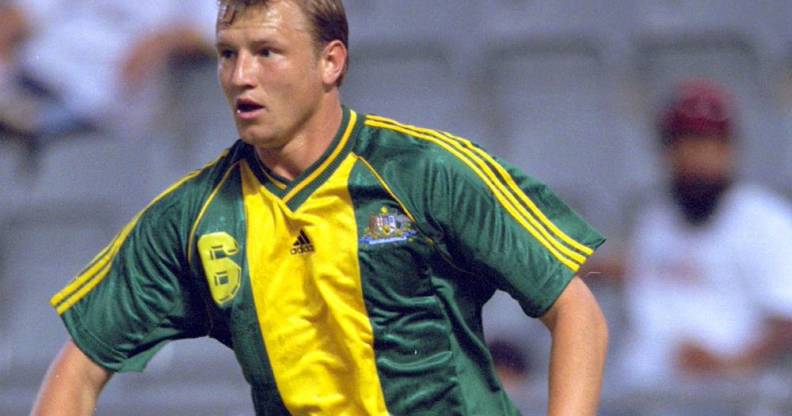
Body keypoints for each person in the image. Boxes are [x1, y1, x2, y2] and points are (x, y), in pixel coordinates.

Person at [32, 1, 608, 415]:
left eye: (266, 53)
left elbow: (578, 313)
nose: (240, 77)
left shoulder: (427, 172)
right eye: (227, 55)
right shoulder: (191, 218)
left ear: (331, 63)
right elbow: (78, 371)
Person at [618, 80, 792, 401]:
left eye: (708, 143)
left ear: (729, 150)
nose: (696, 157)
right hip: (646, 396)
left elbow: (785, 320)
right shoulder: (654, 219)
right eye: (684, 143)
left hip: (734, 400)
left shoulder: (768, 221)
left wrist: (729, 365)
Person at [0, 0, 216, 138]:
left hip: (112, 90)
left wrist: (166, 39)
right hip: (38, 66)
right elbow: (26, 11)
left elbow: (218, 29)